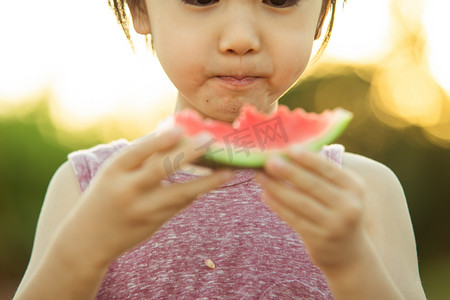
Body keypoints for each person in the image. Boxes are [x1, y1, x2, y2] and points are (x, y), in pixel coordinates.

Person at [14, 0, 427, 299]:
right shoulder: (85, 187)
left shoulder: (364, 192)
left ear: (321, 12)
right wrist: (83, 248)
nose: (240, 39)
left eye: (279, 0)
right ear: (140, 9)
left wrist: (351, 262)